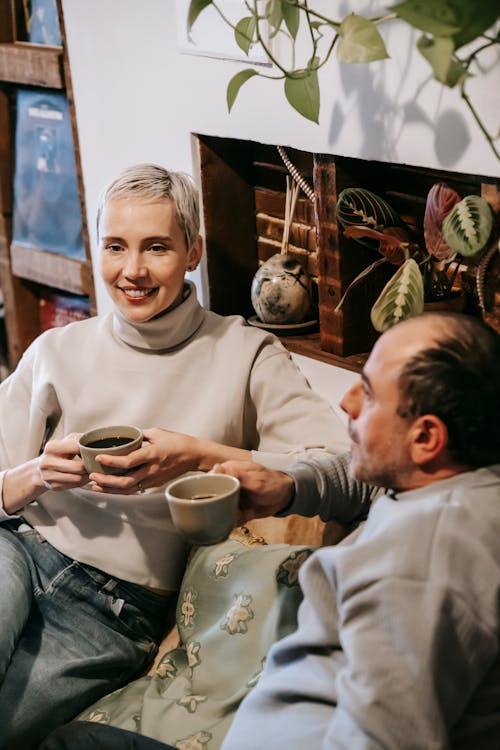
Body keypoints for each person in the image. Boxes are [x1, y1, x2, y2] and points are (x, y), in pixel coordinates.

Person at [0, 163, 348, 750]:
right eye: (115, 246)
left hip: (114, 610)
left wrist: (197, 455)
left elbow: (343, 467)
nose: (132, 271)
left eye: (156, 247)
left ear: (193, 252)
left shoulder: (246, 352)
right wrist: (31, 476)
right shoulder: (57, 350)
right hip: (19, 550)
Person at [38, 311, 500, 750]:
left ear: (426, 438)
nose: (346, 401)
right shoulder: (458, 478)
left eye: (370, 394)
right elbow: (363, 481)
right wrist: (290, 487)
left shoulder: (419, 569)